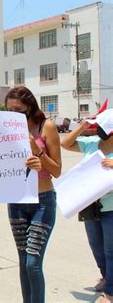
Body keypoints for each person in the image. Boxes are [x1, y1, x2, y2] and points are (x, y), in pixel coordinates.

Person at [5, 86, 61, 303]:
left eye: (18, 111)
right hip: (17, 202)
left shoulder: (45, 127)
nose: (13, 116)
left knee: (32, 263)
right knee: (22, 260)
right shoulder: (6, 130)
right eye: (9, 111)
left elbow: (56, 170)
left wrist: (37, 152)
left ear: (30, 107)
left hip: (42, 202)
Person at [60, 109, 113, 303]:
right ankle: (107, 276)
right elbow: (65, 143)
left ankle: (109, 292)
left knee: (110, 250)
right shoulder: (92, 144)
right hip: (90, 205)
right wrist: (83, 125)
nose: (99, 130)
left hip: (111, 208)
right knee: (96, 247)